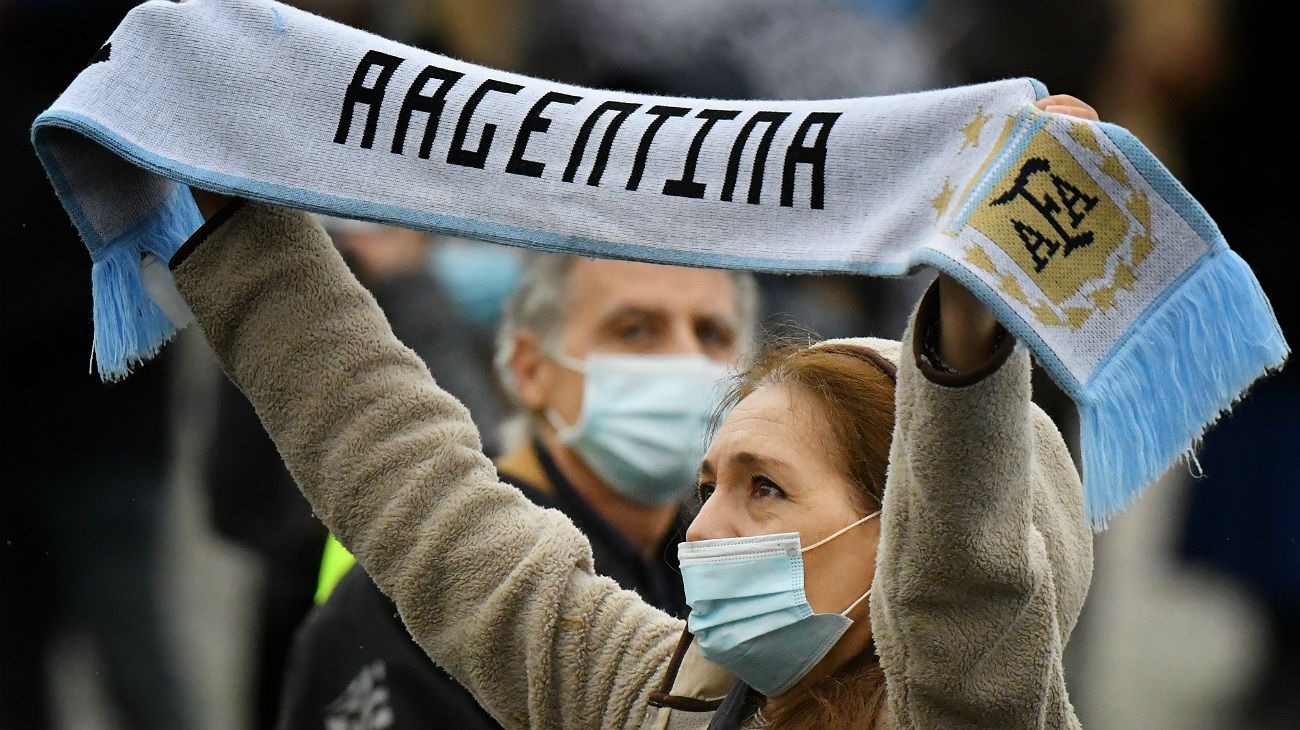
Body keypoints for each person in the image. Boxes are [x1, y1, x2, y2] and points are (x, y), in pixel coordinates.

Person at [178, 95, 1097, 729]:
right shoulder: (654, 697)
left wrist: (969, 343)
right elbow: (406, 476)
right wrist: (236, 230)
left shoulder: (972, 705)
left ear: (906, 535)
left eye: (765, 488)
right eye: (711, 484)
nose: (699, 530)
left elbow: (968, 595)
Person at [278, 251, 758, 729]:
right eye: (635, 330)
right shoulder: (440, 563)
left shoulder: (712, 564)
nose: (685, 360)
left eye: (712, 334)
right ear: (530, 369)